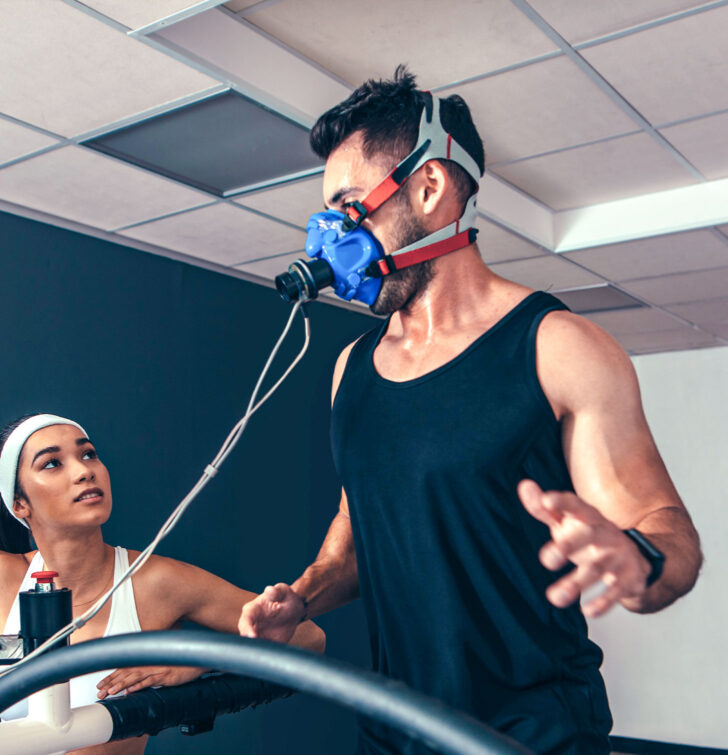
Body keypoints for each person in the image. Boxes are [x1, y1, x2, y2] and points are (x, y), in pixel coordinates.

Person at [238, 67, 702, 755]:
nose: (327, 236)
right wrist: (303, 595)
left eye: (347, 203)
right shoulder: (350, 371)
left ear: (428, 187)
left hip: (532, 738)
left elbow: (669, 532)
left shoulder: (555, 347)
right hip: (396, 734)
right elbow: (358, 526)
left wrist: (637, 556)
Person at [0, 416, 324, 755]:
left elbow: (309, 639)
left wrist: (193, 663)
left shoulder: (156, 581)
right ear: (20, 505)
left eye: (88, 454)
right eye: (53, 463)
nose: (83, 470)